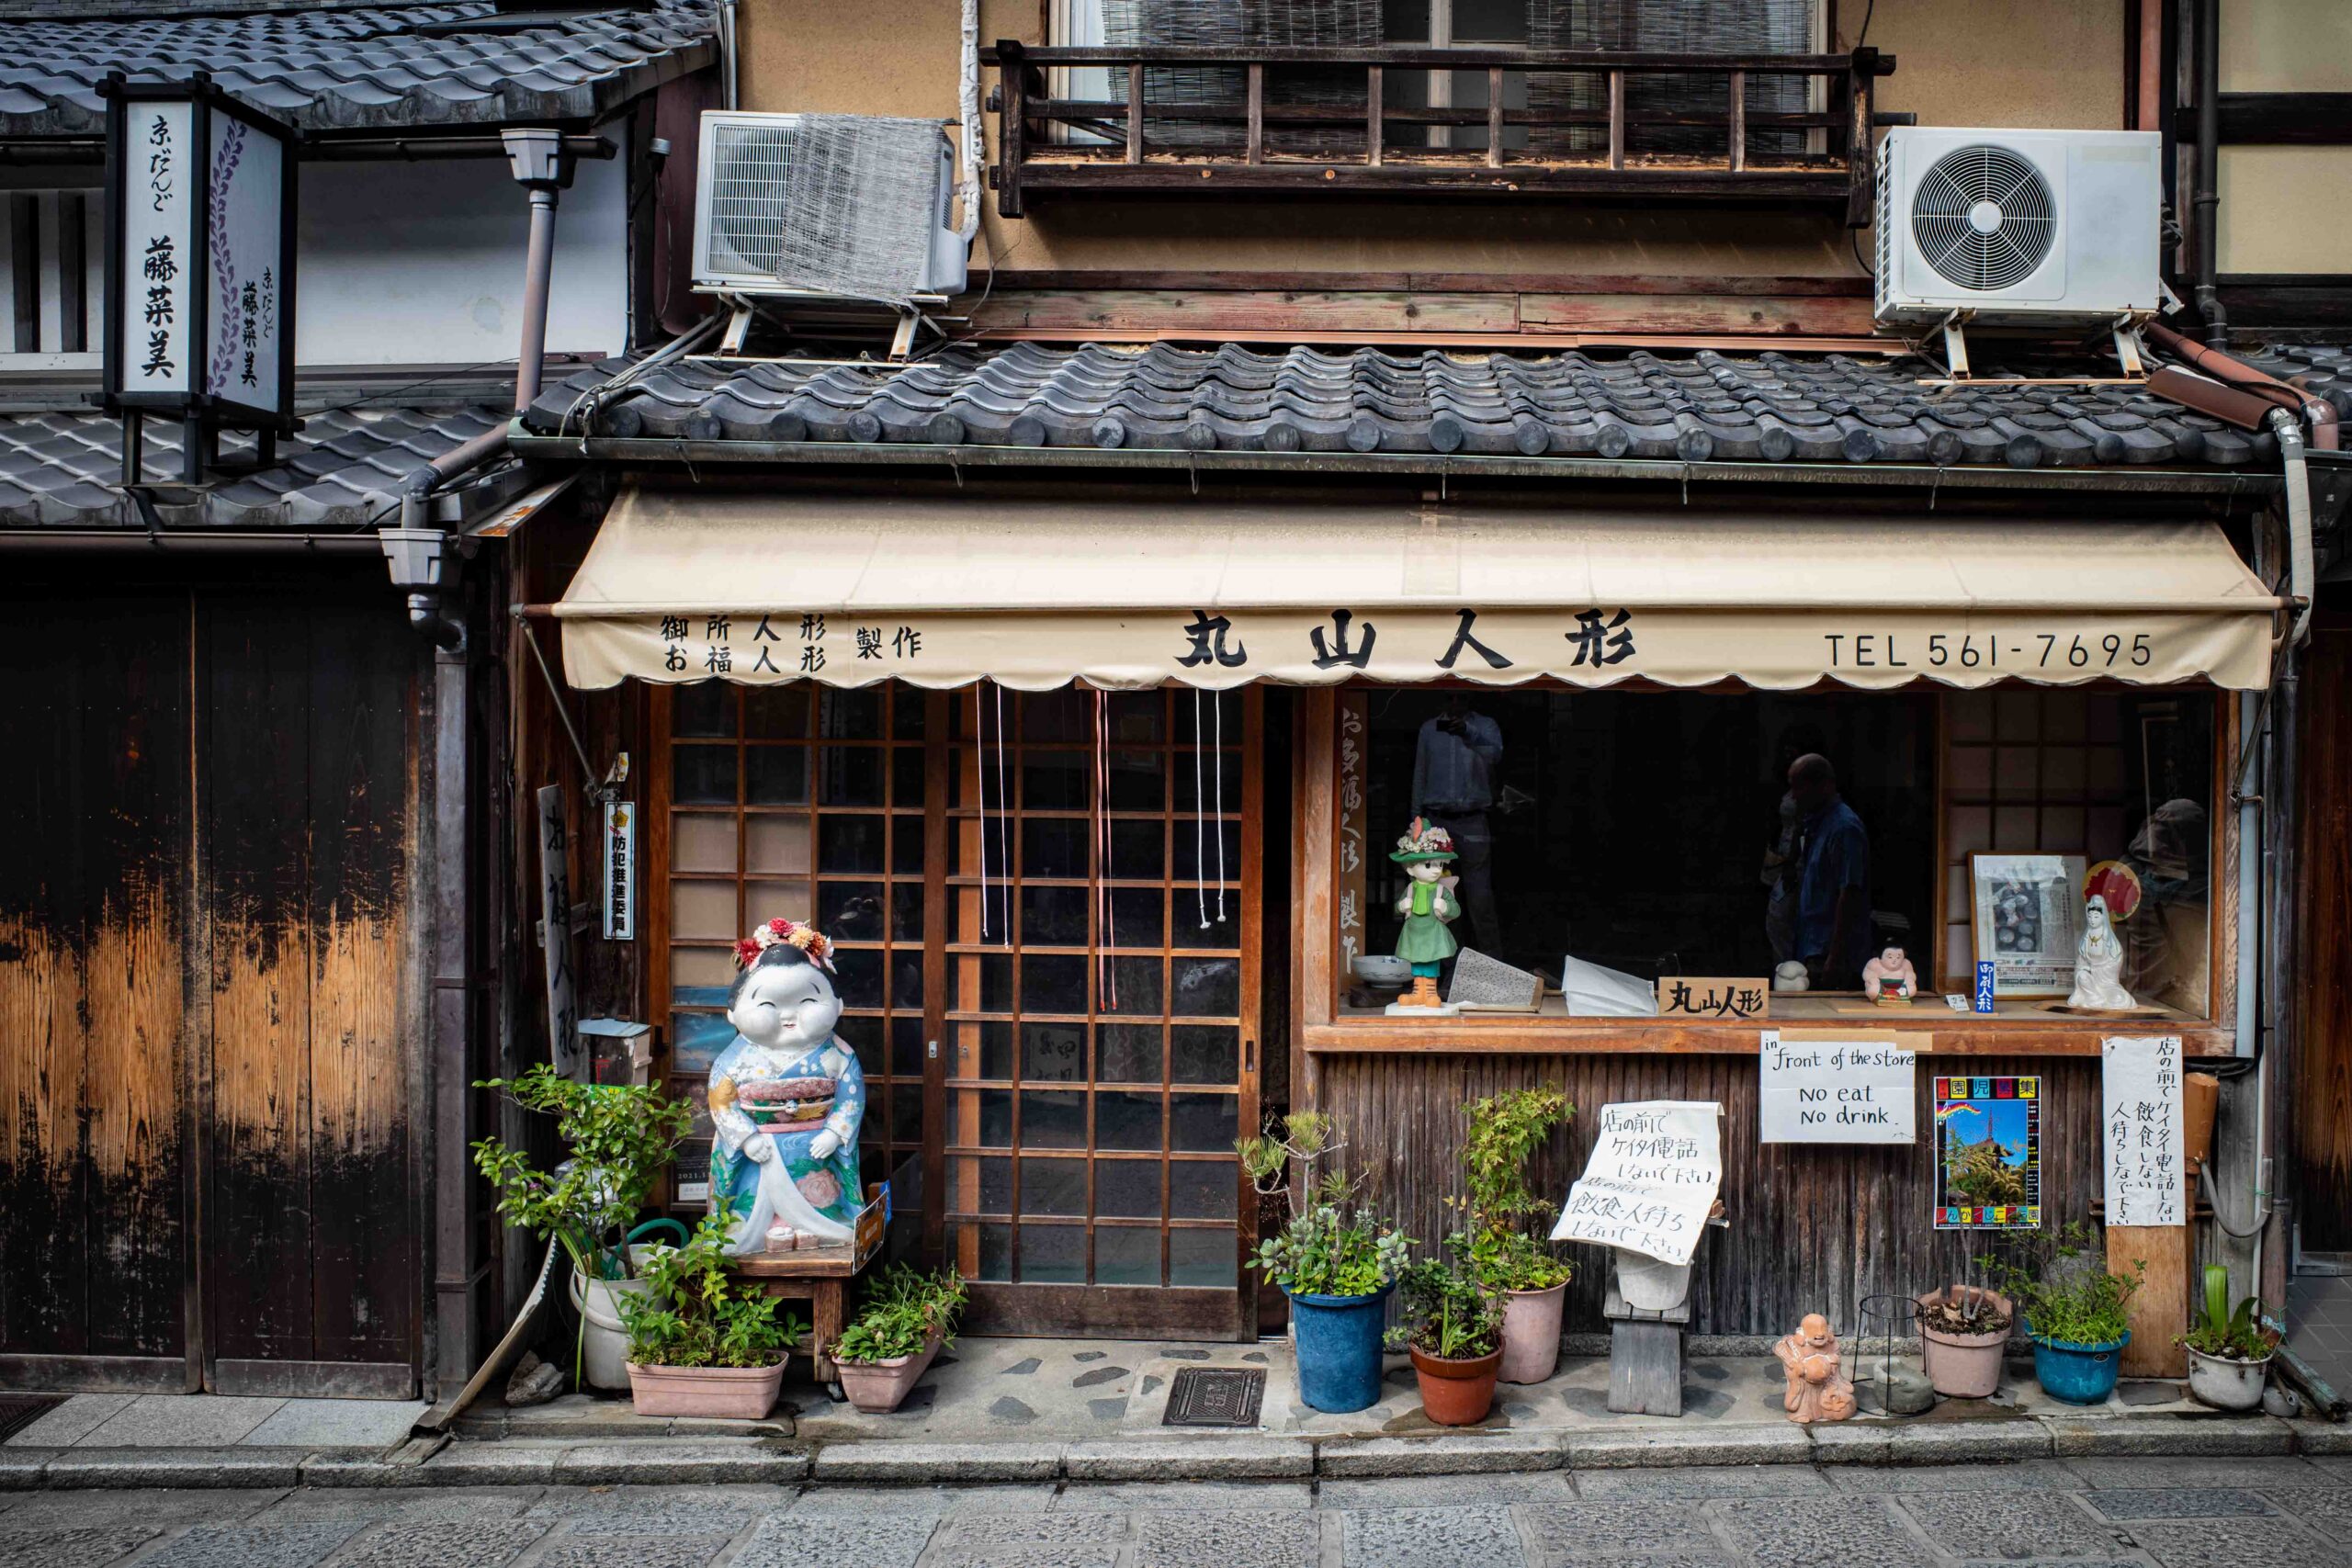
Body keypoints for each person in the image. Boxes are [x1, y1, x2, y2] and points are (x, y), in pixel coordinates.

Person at [1410, 696, 1502, 953]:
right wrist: (1416, 820)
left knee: (1480, 899)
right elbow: (1420, 773)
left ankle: (1492, 966)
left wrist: (1468, 732)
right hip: (1437, 823)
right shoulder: (1429, 730)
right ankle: (1450, 968)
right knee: (1441, 898)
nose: (1455, 700)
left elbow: (1495, 756)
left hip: (1473, 820)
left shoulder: (1485, 726)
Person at [1786, 753, 1871, 991]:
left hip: (1830, 950)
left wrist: (1836, 955)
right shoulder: (1817, 823)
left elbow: (1850, 892)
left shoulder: (1844, 828)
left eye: (1798, 787)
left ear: (1822, 786)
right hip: (1812, 944)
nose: (1794, 795)